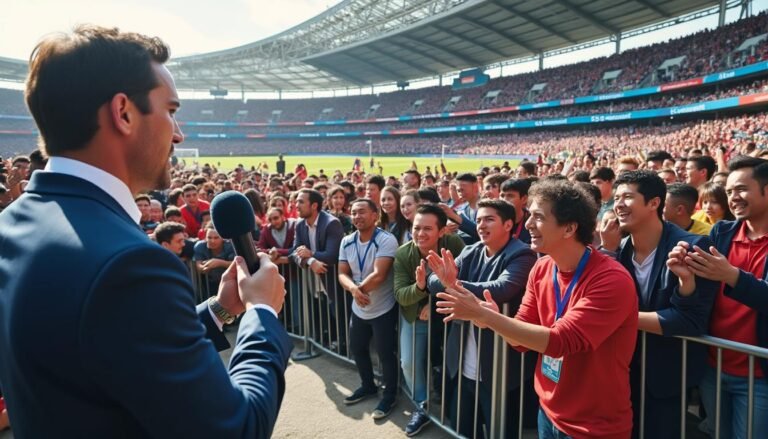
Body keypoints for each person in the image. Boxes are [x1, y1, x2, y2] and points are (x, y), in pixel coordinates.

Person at [0, 25, 290, 437]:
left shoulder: (13, 222)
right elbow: (236, 429)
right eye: (170, 110)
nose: (179, 133)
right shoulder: (130, 263)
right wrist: (262, 313)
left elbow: (100, 348)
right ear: (123, 113)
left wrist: (220, 309)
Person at [436, 180, 638, 438]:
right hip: (548, 412)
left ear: (569, 228)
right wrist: (489, 318)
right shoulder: (542, 268)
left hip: (594, 424)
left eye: (538, 217)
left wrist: (484, 315)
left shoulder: (611, 279)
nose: (528, 224)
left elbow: (558, 342)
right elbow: (519, 342)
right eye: (529, 215)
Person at [600, 170, 718, 438]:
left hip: (666, 377)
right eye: (616, 197)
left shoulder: (691, 246)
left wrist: (618, 318)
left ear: (654, 203)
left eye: (628, 197)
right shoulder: (618, 248)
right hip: (620, 372)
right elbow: (607, 299)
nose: (618, 204)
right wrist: (608, 252)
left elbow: (689, 320)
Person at [426, 199, 537, 438]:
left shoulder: (523, 254)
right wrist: (447, 281)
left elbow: (502, 287)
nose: (480, 225)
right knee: (463, 427)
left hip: (499, 365)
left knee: (501, 428)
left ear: (508, 224)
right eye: (477, 220)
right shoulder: (471, 250)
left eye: (489, 219)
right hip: (464, 361)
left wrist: (453, 284)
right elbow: (433, 282)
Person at [677, 156, 768, 438]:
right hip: (713, 369)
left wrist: (732, 276)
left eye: (741, 189)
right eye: (728, 192)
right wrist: (685, 277)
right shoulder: (722, 232)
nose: (733, 198)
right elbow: (700, 295)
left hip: (760, 376)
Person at [393, 204, 464, 436]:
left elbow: (466, 278)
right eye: (416, 228)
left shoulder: (454, 245)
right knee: (409, 362)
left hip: (450, 313)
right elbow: (401, 295)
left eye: (427, 229)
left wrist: (432, 305)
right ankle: (421, 405)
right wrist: (421, 287)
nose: (420, 234)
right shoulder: (404, 253)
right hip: (415, 317)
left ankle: (455, 406)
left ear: (442, 231)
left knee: (452, 360)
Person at [338, 199, 399, 420]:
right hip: (359, 308)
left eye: (362, 212)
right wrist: (355, 290)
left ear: (375, 215)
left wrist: (357, 290)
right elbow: (342, 272)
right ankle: (368, 385)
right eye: (353, 212)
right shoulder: (347, 241)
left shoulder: (386, 240)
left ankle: (390, 395)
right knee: (358, 348)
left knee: (385, 353)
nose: (357, 216)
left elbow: (380, 274)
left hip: (383, 308)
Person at [292, 188, 345, 352]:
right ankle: (327, 341)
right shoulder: (300, 224)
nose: (296, 205)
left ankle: (344, 345)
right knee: (320, 311)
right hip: (313, 278)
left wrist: (311, 254)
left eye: (301, 202)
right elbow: (295, 251)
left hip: (332, 279)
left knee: (338, 313)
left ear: (314, 205)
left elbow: (332, 255)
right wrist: (311, 260)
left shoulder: (331, 223)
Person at [194, 223, 236, 298]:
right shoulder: (200, 246)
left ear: (222, 238)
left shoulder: (230, 245)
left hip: (231, 282)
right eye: (209, 237)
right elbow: (198, 265)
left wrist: (220, 263)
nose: (212, 241)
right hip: (210, 284)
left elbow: (237, 264)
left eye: (216, 238)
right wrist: (204, 268)